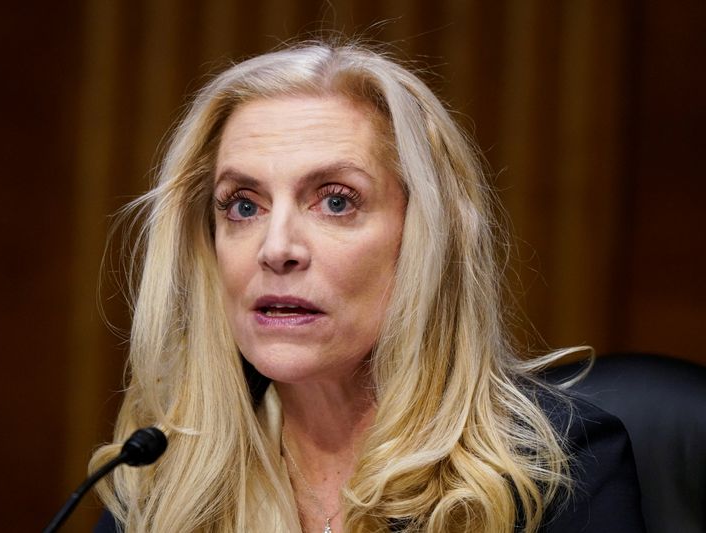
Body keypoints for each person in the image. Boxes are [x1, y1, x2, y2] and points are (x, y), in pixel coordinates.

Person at [90, 41, 645, 532]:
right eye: (243, 205)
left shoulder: (555, 472)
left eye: (335, 200)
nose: (276, 247)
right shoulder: (163, 479)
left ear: (422, 237)